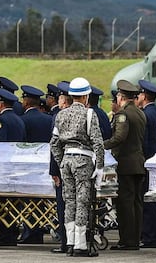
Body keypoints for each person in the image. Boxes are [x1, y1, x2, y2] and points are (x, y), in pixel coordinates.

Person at [50, 77, 104, 257]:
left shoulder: (61, 114)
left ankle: (70, 242)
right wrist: (100, 167)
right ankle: (81, 244)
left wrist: (60, 161)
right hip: (83, 159)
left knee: (69, 201)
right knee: (82, 201)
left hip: (66, 159)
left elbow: (54, 143)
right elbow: (98, 142)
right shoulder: (90, 114)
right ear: (87, 96)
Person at [104, 79, 146, 251]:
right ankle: (134, 239)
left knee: (125, 203)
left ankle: (127, 240)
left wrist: (102, 145)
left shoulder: (123, 114)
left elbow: (119, 137)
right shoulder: (140, 113)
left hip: (126, 164)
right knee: (136, 203)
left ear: (121, 97)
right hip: (138, 163)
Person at [0, 87, 26, 246]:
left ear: (1, 104)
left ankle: (6, 235)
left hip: (3, 167)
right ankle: (11, 231)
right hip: (16, 165)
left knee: (2, 201)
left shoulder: (1, 120)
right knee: (13, 200)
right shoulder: (18, 119)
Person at [18, 85, 53, 244]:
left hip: (27, 166)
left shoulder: (22, 120)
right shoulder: (49, 119)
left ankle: (30, 232)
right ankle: (39, 229)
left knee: (28, 201)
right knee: (42, 200)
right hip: (45, 164)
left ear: (25, 102)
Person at [136, 79, 156, 249]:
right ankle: (154, 235)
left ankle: (148, 236)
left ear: (144, 96)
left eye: (139, 94)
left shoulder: (145, 115)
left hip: (147, 162)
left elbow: (144, 142)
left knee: (147, 200)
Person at [49, 81, 71, 254]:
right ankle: (77, 240)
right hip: (81, 167)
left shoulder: (59, 117)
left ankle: (66, 241)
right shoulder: (86, 114)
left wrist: (55, 171)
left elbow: (54, 146)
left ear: (63, 101)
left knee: (63, 205)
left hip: (64, 167)